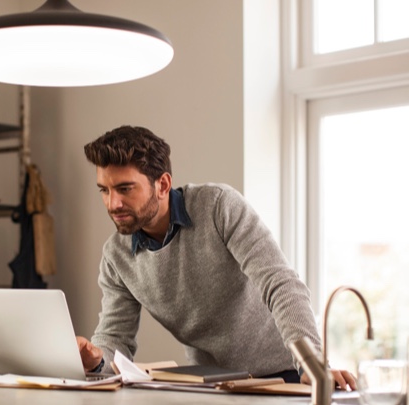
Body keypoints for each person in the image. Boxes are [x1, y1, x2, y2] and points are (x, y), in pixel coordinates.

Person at [76, 125, 356, 389]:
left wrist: (311, 364)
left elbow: (280, 282)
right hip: (212, 386)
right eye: (105, 190)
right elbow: (114, 339)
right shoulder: (116, 255)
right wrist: (95, 359)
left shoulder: (218, 207)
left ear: (162, 185)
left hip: (287, 374)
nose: (113, 203)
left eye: (125, 189)